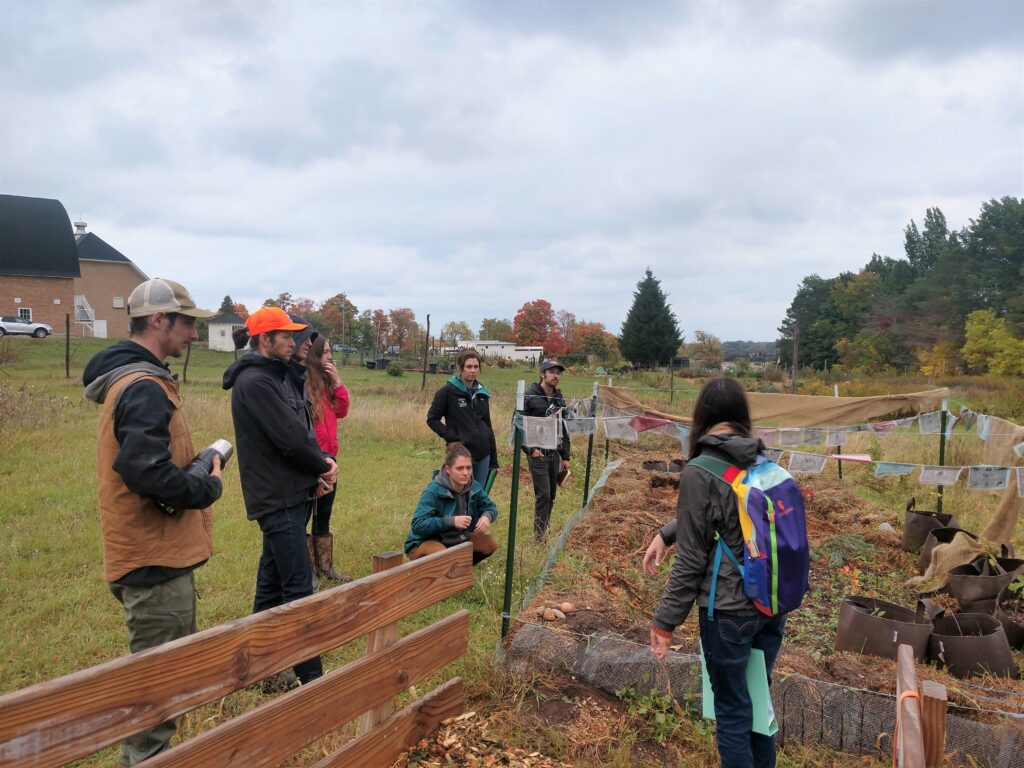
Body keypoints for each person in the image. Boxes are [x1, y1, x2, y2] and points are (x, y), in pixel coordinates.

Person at [83, 278, 223, 767]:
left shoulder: (136, 379)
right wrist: (206, 484)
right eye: (187, 323)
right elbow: (145, 470)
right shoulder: (144, 387)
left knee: (161, 693)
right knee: (157, 704)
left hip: (151, 556)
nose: (194, 335)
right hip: (153, 563)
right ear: (159, 320)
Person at [650, 377, 784, 768]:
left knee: (732, 709)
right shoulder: (760, 458)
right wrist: (667, 533)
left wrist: (664, 621)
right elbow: (732, 516)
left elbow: (692, 561)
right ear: (741, 416)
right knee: (757, 702)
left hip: (729, 611)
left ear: (702, 416)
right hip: (771, 602)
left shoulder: (699, 469)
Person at [223, 306, 339, 689]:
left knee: (272, 583)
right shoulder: (255, 382)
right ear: (263, 339)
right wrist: (322, 466)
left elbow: (303, 432)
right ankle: (312, 680)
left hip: (293, 492)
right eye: (286, 336)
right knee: (298, 589)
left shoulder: (281, 376)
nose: (295, 342)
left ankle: (257, 669)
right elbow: (289, 438)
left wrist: (314, 475)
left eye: (294, 335)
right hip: (276, 497)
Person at [404, 442, 499, 565]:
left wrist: (487, 516)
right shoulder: (433, 490)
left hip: (455, 540)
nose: (465, 473)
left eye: (468, 468)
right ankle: (440, 568)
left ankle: (459, 568)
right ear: (448, 469)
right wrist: (451, 521)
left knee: (490, 544)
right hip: (424, 542)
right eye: (460, 468)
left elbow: (490, 507)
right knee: (442, 554)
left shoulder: (474, 486)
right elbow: (418, 525)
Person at [305, 335, 351, 582]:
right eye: (325, 352)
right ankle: (308, 571)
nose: (330, 356)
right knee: (305, 514)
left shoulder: (326, 385)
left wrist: (336, 382)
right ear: (313, 355)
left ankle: (325, 567)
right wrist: (316, 461)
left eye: (330, 351)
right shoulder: (304, 386)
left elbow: (342, 411)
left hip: (330, 461)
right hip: (311, 460)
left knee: (324, 514)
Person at [426, 348, 499, 489]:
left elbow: (488, 426)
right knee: (460, 494)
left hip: (483, 453)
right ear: (460, 368)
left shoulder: (482, 393)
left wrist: (494, 459)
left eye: (476, 367)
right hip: (460, 453)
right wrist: (452, 437)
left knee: (479, 495)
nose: (473, 370)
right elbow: (432, 419)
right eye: (469, 367)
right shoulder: (447, 391)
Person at [523, 359, 570, 539]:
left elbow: (563, 427)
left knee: (551, 494)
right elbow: (519, 425)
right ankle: (539, 536)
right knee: (542, 494)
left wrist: (565, 456)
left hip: (554, 453)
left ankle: (544, 527)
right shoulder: (529, 395)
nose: (556, 376)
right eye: (552, 372)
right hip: (538, 454)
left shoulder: (559, 398)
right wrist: (531, 449)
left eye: (558, 373)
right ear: (542, 374)